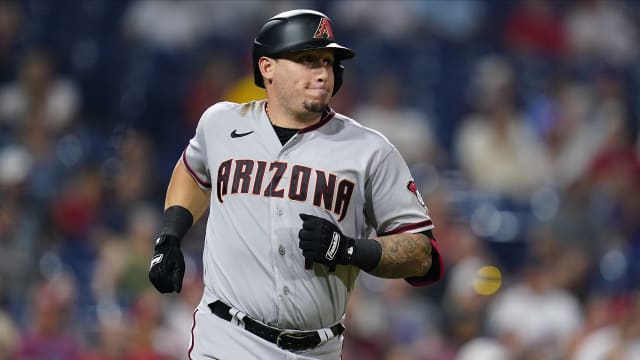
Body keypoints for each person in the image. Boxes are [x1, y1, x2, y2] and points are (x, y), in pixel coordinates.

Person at [148, 9, 443, 360]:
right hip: (227, 339)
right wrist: (169, 236)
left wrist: (349, 250)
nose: (322, 73)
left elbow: (424, 255)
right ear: (267, 68)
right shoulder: (220, 124)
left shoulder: (370, 151)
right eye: (307, 60)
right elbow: (193, 174)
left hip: (317, 349)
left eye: (328, 62)